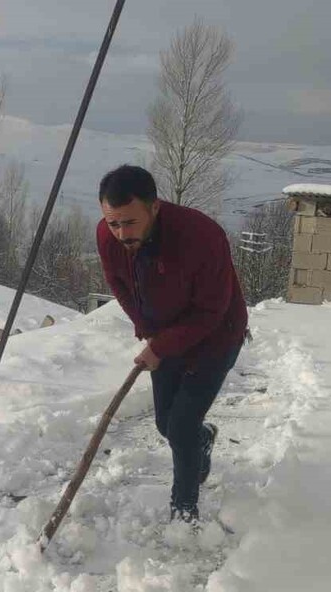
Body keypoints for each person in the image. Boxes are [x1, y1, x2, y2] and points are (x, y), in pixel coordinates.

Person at [94, 165, 248, 523]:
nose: (121, 234)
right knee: (166, 423)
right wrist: (145, 327)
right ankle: (202, 439)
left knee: (181, 425)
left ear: (155, 207)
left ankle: (183, 509)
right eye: (113, 223)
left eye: (129, 222)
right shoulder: (108, 236)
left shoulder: (202, 237)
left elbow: (211, 311)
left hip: (217, 336)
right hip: (165, 334)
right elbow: (117, 282)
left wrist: (160, 347)